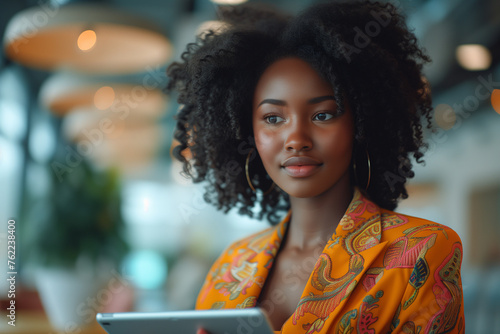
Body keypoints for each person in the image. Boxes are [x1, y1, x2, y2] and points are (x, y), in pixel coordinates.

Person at [166, 1, 465, 333]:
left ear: (361, 124)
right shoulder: (232, 263)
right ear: (247, 132)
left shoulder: (422, 250)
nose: (296, 139)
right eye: (273, 118)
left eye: (323, 114)